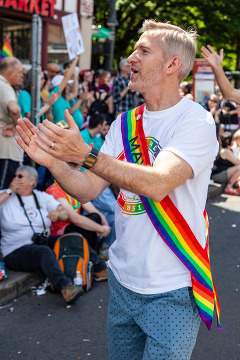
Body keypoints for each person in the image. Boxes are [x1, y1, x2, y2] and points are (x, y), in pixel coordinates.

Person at [17, 19, 221, 359]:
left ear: (172, 65)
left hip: (172, 289)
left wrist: (84, 153)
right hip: (124, 282)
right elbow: (86, 189)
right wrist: (54, 163)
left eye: (143, 50)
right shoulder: (124, 124)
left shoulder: (195, 121)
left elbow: (157, 184)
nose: (130, 58)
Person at [0, 165, 84, 304]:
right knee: (43, 252)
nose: (15, 179)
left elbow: (64, 212)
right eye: (15, 176)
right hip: (15, 250)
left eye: (20, 176)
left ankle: (99, 269)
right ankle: (65, 287)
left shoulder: (41, 196)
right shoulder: (6, 194)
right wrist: (10, 190)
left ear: (32, 181)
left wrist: (58, 214)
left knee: (71, 238)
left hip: (40, 241)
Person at [46, 181, 110, 281]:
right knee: (86, 226)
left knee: (95, 217)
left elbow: (93, 210)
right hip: (61, 232)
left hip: (73, 227)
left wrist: (106, 225)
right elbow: (75, 219)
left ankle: (90, 263)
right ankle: (95, 266)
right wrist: (101, 229)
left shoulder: (72, 187)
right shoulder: (54, 190)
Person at [0, 57, 24, 190]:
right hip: (6, 150)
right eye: (20, 72)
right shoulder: (5, 87)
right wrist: (19, 126)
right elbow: (14, 109)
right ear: (10, 73)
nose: (22, 75)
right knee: (4, 191)